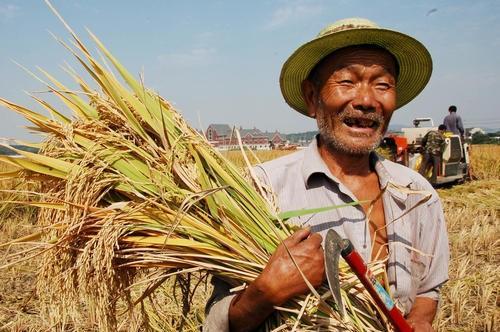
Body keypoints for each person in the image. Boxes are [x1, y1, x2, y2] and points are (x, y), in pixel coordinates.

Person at [204, 18, 449, 332]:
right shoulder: (261, 190)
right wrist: (266, 292)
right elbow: (216, 322)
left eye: (382, 85)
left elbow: (429, 289)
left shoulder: (418, 193)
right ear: (311, 97)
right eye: (347, 82)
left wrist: (419, 320)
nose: (365, 100)